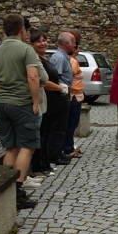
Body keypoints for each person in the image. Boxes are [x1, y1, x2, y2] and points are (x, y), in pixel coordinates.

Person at [0, 14, 42, 209]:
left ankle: (7, 188)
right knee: (27, 146)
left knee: (10, 147)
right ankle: (17, 190)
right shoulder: (26, 50)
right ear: (21, 30)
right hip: (21, 102)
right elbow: (33, 76)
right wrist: (35, 101)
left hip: (2, 103)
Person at [30, 30, 70, 174]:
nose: (43, 43)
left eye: (44, 40)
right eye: (39, 41)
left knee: (48, 133)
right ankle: (40, 165)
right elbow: (43, 81)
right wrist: (60, 87)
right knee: (43, 134)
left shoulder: (44, 58)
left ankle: (45, 162)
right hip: (46, 99)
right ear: (32, 44)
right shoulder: (35, 60)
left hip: (52, 101)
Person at [48, 32, 76, 162]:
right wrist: (63, 90)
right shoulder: (59, 57)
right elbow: (56, 78)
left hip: (63, 94)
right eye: (73, 42)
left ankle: (58, 152)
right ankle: (55, 155)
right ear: (66, 43)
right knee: (58, 126)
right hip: (59, 95)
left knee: (62, 126)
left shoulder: (63, 56)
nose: (75, 45)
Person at [64, 30, 84, 158]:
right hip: (73, 96)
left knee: (72, 124)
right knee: (71, 124)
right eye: (76, 47)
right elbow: (69, 78)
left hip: (76, 95)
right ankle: (68, 148)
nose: (78, 50)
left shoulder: (72, 60)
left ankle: (70, 146)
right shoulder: (72, 61)